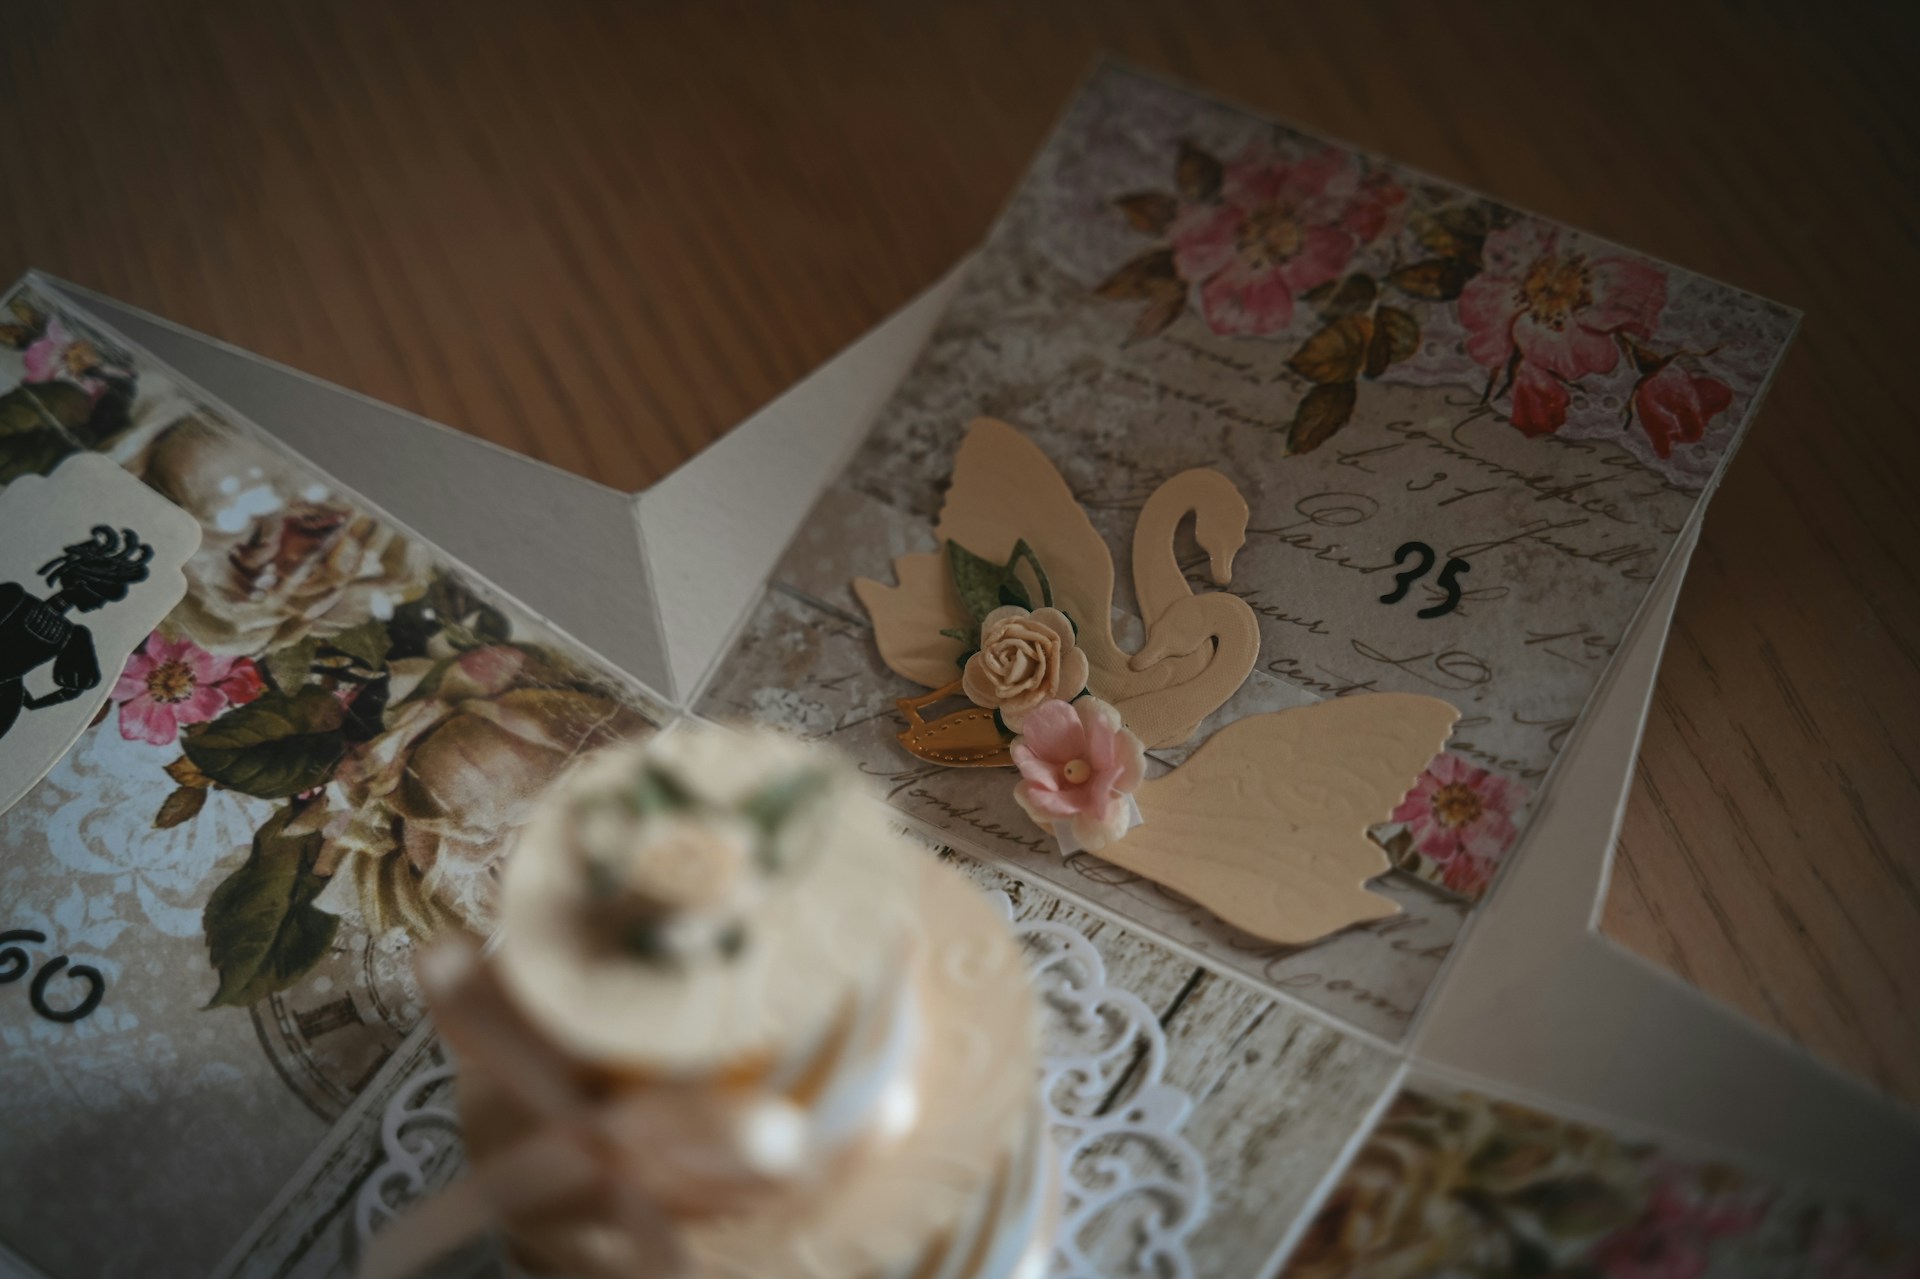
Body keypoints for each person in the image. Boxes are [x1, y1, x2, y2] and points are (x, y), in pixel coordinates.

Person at [0, 525, 152, 741]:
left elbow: (74, 688)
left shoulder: (72, 634)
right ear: (83, 586)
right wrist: (33, 703)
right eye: (101, 596)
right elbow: (72, 688)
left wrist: (33, 704)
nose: (100, 605)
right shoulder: (17, 598)